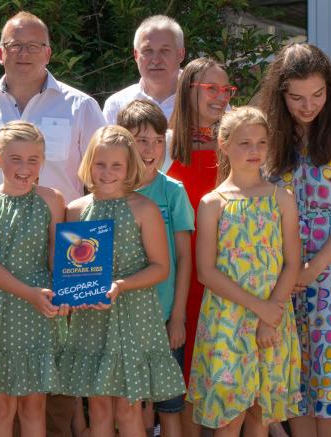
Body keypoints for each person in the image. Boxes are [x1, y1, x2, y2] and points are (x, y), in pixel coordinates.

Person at [258, 43, 331, 437]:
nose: (308, 106)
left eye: (318, 95)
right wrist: (291, 274)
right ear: (280, 95)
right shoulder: (269, 138)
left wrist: (312, 269)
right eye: (296, 98)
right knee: (296, 383)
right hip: (280, 275)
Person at [187, 106, 302, 435]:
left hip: (273, 317)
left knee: (260, 413)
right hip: (228, 320)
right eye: (244, 143)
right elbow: (206, 271)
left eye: (261, 143)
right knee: (229, 414)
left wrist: (271, 312)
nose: (255, 151)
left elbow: (293, 262)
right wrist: (260, 308)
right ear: (223, 144)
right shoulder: (213, 203)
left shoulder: (283, 198)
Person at [62, 125, 183, 437]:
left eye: (117, 165)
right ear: (88, 163)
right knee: (98, 408)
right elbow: (68, 268)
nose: (107, 172)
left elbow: (160, 268)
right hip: (91, 318)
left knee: (129, 410)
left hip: (133, 316)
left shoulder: (144, 208)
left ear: (130, 167)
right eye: (100, 164)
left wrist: (121, 285)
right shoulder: (75, 210)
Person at [0, 121, 69, 437]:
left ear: (43, 161)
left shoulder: (53, 199)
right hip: (1, 309)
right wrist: (29, 293)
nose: (25, 168)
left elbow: (56, 258)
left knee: (34, 406)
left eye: (33, 159)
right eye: (15, 159)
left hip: (40, 312)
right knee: (0, 407)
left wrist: (67, 293)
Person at [0, 11, 106, 205]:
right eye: (15, 45)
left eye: (34, 46)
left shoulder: (81, 107)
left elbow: (104, 177)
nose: (24, 53)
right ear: (1, 54)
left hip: (61, 231)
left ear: (48, 53)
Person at [116, 99, 194, 437]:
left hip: (163, 317)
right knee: (132, 407)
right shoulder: (108, 191)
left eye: (158, 140)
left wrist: (177, 316)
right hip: (122, 317)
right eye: (141, 140)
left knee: (170, 407)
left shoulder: (173, 191)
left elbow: (185, 257)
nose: (151, 149)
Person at [165, 57, 234, 407]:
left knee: (228, 381)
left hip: (228, 278)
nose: (220, 97)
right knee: (185, 384)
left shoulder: (239, 147)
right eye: (211, 88)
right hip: (178, 278)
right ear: (187, 90)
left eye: (226, 89)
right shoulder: (162, 146)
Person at [102, 15, 186, 132]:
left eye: (164, 51)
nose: (156, 60)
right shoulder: (116, 105)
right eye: (148, 51)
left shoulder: (201, 99)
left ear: (181, 54)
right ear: (136, 55)